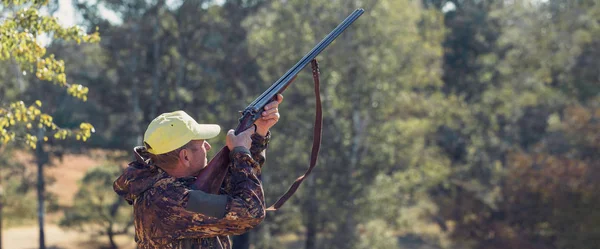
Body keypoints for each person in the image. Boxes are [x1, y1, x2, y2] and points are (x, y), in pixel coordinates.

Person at [114, 94, 283, 249]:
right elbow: (249, 212)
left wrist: (259, 132)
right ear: (185, 156)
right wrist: (240, 152)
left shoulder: (168, 183)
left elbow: (237, 185)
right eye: (202, 143)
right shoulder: (169, 200)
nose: (208, 147)